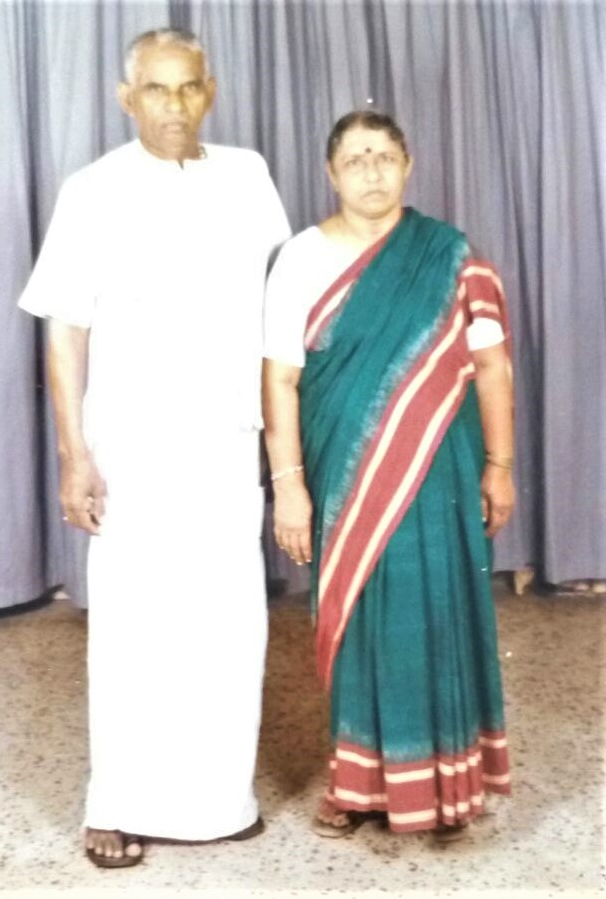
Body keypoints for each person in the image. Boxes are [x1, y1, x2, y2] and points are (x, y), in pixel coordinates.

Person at [19, 28, 290, 867]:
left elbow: (282, 310)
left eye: (188, 87)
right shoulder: (92, 190)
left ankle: (218, 802)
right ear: (125, 98)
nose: (174, 105)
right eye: (156, 89)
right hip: (132, 443)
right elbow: (65, 333)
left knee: (228, 624)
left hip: (226, 441)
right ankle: (119, 804)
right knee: (136, 626)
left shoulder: (248, 176)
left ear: (210, 91)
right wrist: (74, 456)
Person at [262, 111, 514, 842]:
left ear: (408, 164)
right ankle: (356, 784)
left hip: (439, 469)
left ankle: (446, 782)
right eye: (355, 158)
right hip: (342, 473)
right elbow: (279, 378)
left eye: (384, 156)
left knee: (436, 608)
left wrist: (500, 465)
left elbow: (491, 364)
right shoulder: (301, 257)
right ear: (331, 173)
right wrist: (289, 486)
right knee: (358, 617)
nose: (371, 171)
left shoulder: (449, 254)